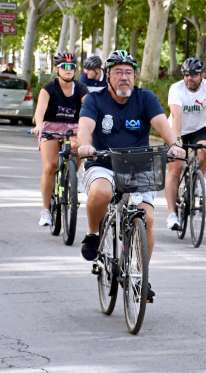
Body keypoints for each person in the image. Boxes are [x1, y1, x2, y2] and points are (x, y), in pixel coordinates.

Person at [75, 51, 184, 293]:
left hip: (138, 165)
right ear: (108, 76)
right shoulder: (95, 101)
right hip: (102, 162)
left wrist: (175, 145)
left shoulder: (145, 98)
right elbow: (85, 127)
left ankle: (139, 275)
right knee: (101, 192)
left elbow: (162, 126)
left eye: (128, 72)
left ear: (134, 76)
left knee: (148, 219)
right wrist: (85, 144)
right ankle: (93, 233)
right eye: (118, 72)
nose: (124, 77)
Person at [30, 54, 88, 227]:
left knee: (80, 148)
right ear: (57, 69)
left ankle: (72, 176)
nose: (68, 70)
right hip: (51, 126)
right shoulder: (48, 88)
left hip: (73, 127)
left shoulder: (81, 88)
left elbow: (89, 107)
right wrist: (39, 125)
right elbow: (40, 111)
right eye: (64, 66)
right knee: (50, 166)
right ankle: (45, 210)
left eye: (71, 67)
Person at [164, 57, 206, 231]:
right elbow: (177, 115)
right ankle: (172, 215)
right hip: (177, 129)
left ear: (202, 75)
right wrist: (176, 142)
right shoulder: (176, 89)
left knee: (205, 151)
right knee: (175, 167)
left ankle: (197, 180)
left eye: (194, 75)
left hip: (199, 129)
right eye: (187, 75)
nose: (190, 78)